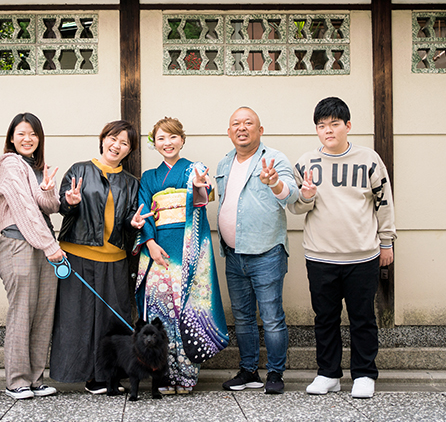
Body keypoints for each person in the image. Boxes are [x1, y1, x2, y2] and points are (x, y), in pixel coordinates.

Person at [288, 97, 396, 399]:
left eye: (335, 124)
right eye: (322, 126)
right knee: (325, 318)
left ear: (347, 126)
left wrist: (386, 241)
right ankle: (328, 373)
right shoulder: (305, 163)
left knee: (363, 317)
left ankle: (363, 374)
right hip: (320, 255)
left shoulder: (369, 160)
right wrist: (306, 195)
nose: (328, 131)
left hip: (363, 255)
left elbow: (384, 202)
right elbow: (296, 207)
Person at [133, 117, 229, 394]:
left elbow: (203, 196)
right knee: (159, 312)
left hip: (188, 248)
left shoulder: (194, 168)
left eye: (173, 137)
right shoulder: (149, 177)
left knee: (186, 310)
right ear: (155, 143)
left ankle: (186, 377)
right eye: (161, 138)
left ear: (182, 140)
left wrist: (200, 184)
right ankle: (162, 376)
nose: (167, 143)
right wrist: (149, 242)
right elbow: (144, 210)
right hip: (159, 248)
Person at [49, 120, 145, 394]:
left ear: (130, 151)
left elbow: (127, 219)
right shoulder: (80, 170)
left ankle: (103, 378)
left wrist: (134, 222)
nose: (117, 145)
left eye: (124, 143)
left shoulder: (131, 183)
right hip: (77, 255)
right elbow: (64, 207)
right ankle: (74, 372)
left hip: (115, 258)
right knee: (74, 317)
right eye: (113, 138)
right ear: (103, 139)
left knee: (110, 320)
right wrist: (70, 201)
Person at [217, 107, 300, 395]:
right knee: (242, 317)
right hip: (233, 254)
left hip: (266, 253)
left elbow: (292, 195)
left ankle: (275, 373)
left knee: (272, 317)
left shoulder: (274, 158)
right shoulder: (225, 163)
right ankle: (249, 370)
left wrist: (274, 182)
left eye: (248, 123)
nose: (242, 128)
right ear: (229, 132)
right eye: (235, 124)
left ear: (260, 130)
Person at [0, 112, 64, 400]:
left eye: (33, 134)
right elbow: (23, 210)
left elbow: (49, 207)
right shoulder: (9, 163)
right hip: (19, 245)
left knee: (43, 313)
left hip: (43, 243)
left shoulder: (36, 166)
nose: (28, 138)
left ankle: (35, 379)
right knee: (22, 312)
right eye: (21, 133)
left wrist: (47, 189)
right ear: (11, 137)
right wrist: (51, 246)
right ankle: (16, 381)